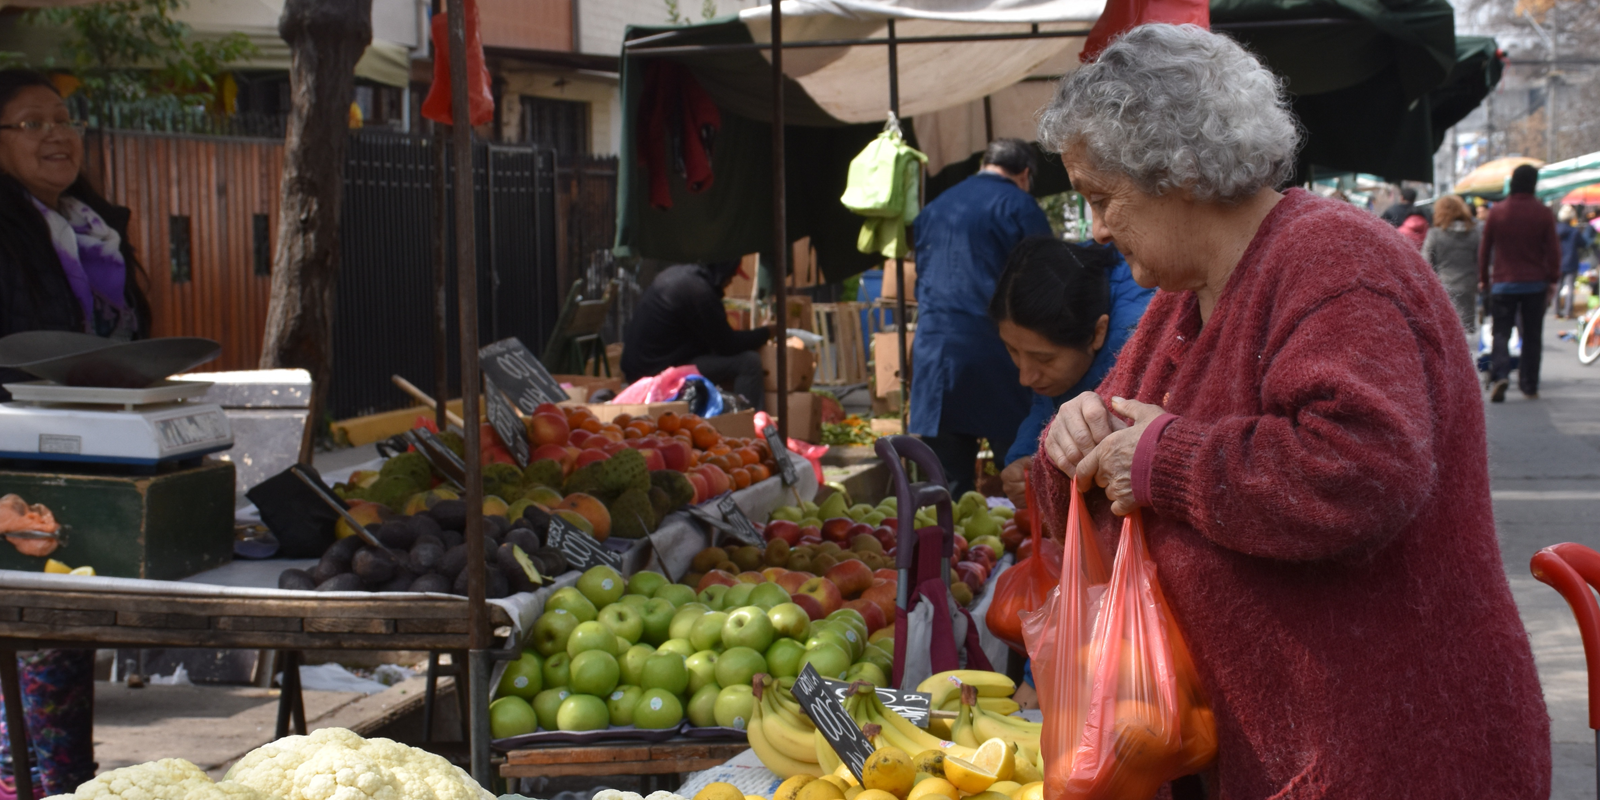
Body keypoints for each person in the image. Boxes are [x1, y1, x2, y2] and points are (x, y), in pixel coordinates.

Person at [1034, 25, 1548, 797]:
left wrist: (1160, 461)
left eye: (1103, 199)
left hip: (1394, 753)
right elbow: (1109, 459)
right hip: (1283, 751)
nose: (1098, 229)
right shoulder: (1184, 299)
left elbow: (1361, 470)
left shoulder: (1338, 265)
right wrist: (1065, 443)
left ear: (1177, 171)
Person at [0, 69, 153, 799]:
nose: (57, 135)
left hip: (79, 461)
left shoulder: (92, 230)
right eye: (31, 123)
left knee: (58, 636)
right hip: (13, 463)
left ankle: (55, 783)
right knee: (23, 637)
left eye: (64, 120)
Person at [908, 138, 1053, 495]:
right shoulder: (1019, 204)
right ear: (1025, 174)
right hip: (997, 353)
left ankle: (945, 550)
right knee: (1020, 475)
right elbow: (1046, 280)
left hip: (935, 354)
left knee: (944, 485)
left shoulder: (934, 208)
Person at [991, 237, 1153, 508]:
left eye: (1044, 358)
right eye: (1013, 351)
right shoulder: (1070, 308)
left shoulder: (1142, 345)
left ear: (1098, 333)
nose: (1025, 377)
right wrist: (1026, 458)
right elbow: (1049, 405)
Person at [619, 260, 772, 411]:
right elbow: (728, 345)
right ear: (723, 273)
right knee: (748, 362)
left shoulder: (679, 276)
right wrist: (767, 332)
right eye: (731, 277)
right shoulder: (699, 291)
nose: (729, 283)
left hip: (644, 365)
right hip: (657, 371)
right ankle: (752, 424)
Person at [1479, 163, 1560, 402]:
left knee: (1501, 332)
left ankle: (1501, 373)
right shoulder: (1543, 213)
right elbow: (1553, 251)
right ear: (1533, 183)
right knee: (1532, 334)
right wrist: (1554, 279)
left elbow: (1485, 251)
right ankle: (1529, 385)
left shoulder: (1498, 211)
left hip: (1503, 282)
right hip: (1535, 283)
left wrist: (1484, 280)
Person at [1421, 194, 1481, 335]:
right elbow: (1480, 259)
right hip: (1468, 284)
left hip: (1443, 285)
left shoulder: (1435, 234)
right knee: (1466, 329)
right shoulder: (1474, 234)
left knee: (1447, 329)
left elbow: (1426, 262)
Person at [1556, 204, 1592, 318]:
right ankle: (1567, 312)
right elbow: (1583, 243)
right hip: (1571, 261)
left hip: (1558, 261)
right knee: (1570, 287)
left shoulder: (1555, 229)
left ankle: (1557, 311)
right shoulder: (1574, 231)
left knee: (1558, 287)